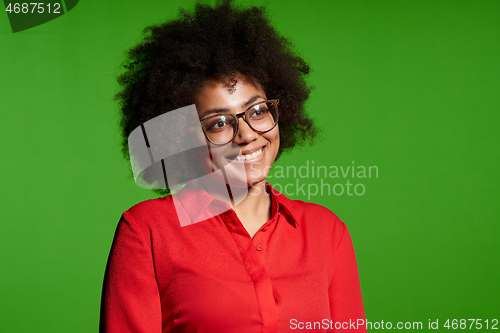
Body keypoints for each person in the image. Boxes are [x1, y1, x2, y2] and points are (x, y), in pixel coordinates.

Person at [99, 1, 366, 332]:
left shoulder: (327, 233)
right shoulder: (146, 232)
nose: (246, 135)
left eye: (257, 111)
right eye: (218, 123)